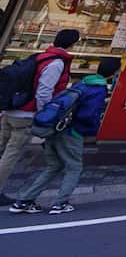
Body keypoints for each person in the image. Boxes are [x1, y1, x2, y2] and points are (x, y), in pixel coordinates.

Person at [9, 55, 117, 216]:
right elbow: (87, 115)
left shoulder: (81, 83)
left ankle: (24, 200)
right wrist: (92, 129)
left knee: (54, 166)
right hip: (72, 132)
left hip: (54, 128)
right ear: (113, 73)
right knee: (74, 167)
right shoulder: (98, 89)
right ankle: (60, 203)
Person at [0, 29, 78, 203]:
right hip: (26, 113)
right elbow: (44, 91)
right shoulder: (57, 62)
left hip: (12, 110)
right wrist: (44, 115)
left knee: (2, 148)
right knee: (11, 154)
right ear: (73, 44)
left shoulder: (40, 56)